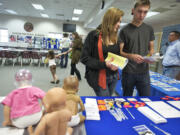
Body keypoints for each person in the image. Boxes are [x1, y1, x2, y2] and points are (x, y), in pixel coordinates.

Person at [81, 7, 124, 96]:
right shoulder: (93, 35)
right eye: (117, 21)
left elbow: (116, 55)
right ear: (109, 21)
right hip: (99, 77)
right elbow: (84, 58)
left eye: (120, 22)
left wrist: (118, 63)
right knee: (106, 103)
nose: (119, 24)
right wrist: (104, 64)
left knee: (108, 101)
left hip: (114, 76)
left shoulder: (116, 37)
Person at [119, 0, 155, 96]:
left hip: (144, 72)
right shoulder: (124, 30)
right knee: (127, 100)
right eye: (139, 11)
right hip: (128, 72)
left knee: (146, 99)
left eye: (145, 12)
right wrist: (130, 56)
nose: (142, 15)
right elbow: (120, 52)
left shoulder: (149, 29)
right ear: (133, 10)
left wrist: (149, 57)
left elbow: (151, 49)